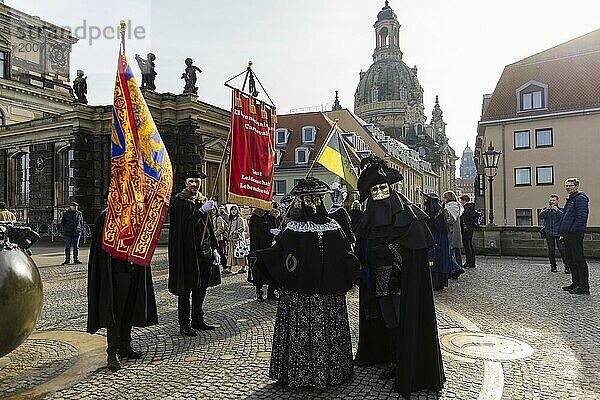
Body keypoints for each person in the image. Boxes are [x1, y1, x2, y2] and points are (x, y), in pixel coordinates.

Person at [252, 177, 361, 388]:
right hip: (300, 295)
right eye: (308, 200)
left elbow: (344, 253)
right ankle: (298, 374)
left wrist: (353, 270)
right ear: (301, 202)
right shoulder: (293, 228)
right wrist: (262, 255)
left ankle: (332, 370)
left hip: (328, 294)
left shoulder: (333, 226)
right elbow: (281, 254)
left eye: (317, 199)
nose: (313, 204)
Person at [355, 155, 444, 398]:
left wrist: (393, 255)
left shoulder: (408, 215)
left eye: (384, 187)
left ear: (390, 186)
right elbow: (362, 248)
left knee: (402, 319)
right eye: (375, 189)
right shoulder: (368, 219)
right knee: (389, 322)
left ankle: (406, 364)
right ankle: (393, 359)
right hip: (377, 282)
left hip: (401, 282)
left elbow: (415, 249)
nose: (380, 192)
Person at [87, 193, 158, 372]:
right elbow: (102, 249)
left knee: (129, 310)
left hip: (133, 269)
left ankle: (125, 345)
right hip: (116, 272)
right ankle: (112, 352)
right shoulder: (106, 217)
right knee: (115, 312)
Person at [168, 171, 221, 336]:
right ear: (186, 183)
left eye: (197, 182)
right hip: (187, 252)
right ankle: (184, 324)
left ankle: (198, 319)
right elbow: (184, 226)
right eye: (191, 181)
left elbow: (209, 227)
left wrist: (214, 247)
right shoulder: (179, 201)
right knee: (186, 289)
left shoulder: (202, 200)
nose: (195, 185)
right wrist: (200, 211)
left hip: (204, 251)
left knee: (201, 287)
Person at [559, 178, 590, 295]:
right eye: (566, 185)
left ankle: (584, 286)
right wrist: (563, 232)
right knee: (571, 259)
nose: (568, 187)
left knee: (578, 259)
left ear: (576, 186)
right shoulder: (571, 199)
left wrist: (572, 231)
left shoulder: (580, 198)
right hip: (567, 234)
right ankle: (576, 283)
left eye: (570, 185)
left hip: (575, 234)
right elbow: (565, 217)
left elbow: (581, 216)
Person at [424, 192, 460, 290]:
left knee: (435, 259)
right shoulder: (441, 211)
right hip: (441, 236)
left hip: (437, 237)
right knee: (440, 258)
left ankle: (437, 281)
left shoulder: (435, 212)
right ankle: (440, 281)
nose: (425, 201)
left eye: (427, 200)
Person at [248, 208, 278, 301]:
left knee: (272, 270)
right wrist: (268, 232)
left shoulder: (271, 216)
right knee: (259, 270)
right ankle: (259, 292)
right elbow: (254, 233)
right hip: (259, 247)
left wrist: (276, 235)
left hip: (270, 247)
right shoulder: (255, 217)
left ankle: (271, 292)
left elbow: (277, 228)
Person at [539, 194, 566, 273]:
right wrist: (548, 209)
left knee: (562, 250)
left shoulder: (561, 210)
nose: (552, 202)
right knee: (551, 251)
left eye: (554, 200)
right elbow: (541, 216)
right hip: (549, 233)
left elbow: (563, 218)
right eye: (551, 200)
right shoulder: (545, 209)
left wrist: (556, 210)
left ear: (557, 201)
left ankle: (567, 266)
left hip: (559, 233)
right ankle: (553, 266)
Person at [443, 191, 464, 276]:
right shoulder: (456, 205)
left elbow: (451, 220)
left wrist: (443, 221)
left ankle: (457, 269)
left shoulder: (450, 207)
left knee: (449, 252)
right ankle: (455, 269)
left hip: (451, 232)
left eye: (444, 197)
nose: (443, 199)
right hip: (456, 231)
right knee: (452, 252)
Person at [328, 182, 355, 246]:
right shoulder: (341, 211)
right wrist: (352, 240)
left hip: (334, 240)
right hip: (343, 239)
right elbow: (347, 227)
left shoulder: (329, 212)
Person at [226, 205, 248, 274]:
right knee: (231, 254)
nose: (233, 211)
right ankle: (229, 267)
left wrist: (235, 232)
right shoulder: (230, 219)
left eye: (235, 210)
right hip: (231, 239)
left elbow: (242, 228)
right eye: (232, 210)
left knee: (240, 252)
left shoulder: (240, 218)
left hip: (238, 239)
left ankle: (243, 267)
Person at [60, 201, 84, 265]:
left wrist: (80, 229)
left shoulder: (79, 213)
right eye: (74, 206)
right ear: (70, 207)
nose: (75, 207)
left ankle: (76, 259)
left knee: (76, 247)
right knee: (67, 247)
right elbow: (62, 222)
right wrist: (65, 229)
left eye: (76, 206)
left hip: (77, 232)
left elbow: (81, 222)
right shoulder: (66, 213)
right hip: (68, 233)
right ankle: (67, 260)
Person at [460, 194, 478, 269]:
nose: (461, 202)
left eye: (461, 200)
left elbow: (464, 219)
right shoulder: (472, 207)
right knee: (470, 245)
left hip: (466, 229)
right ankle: (472, 262)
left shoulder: (466, 208)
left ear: (464, 201)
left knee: (467, 246)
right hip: (470, 228)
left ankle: (468, 262)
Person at [211, 207, 229, 274]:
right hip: (212, 239)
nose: (212, 211)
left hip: (218, 238)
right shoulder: (210, 217)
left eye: (214, 209)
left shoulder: (219, 218)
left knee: (220, 253)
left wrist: (213, 235)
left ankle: (225, 267)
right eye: (211, 209)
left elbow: (221, 228)